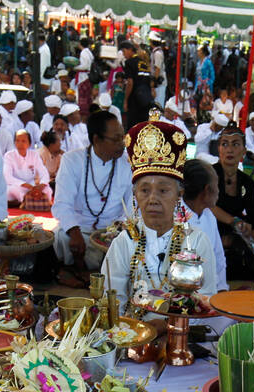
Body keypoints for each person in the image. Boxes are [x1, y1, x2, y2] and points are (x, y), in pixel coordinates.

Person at [101, 119, 218, 312]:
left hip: (183, 334)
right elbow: (112, 303)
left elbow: (206, 300)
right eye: (144, 190)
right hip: (132, 334)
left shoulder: (196, 242)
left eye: (163, 191)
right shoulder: (124, 242)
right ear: (135, 195)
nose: (153, 199)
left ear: (179, 194)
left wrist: (166, 327)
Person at [52, 109, 131, 276]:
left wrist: (122, 231)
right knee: (61, 237)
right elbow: (62, 203)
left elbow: (132, 205)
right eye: (116, 139)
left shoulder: (127, 163)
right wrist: (74, 232)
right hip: (79, 229)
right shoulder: (72, 160)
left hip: (111, 233)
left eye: (122, 137)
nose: (122, 144)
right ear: (96, 139)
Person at [211, 123, 254, 282]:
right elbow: (206, 205)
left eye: (235, 144)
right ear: (219, 149)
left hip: (237, 231)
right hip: (211, 228)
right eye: (224, 144)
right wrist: (234, 221)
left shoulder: (247, 182)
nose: (229, 149)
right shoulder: (210, 174)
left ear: (243, 151)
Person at [181, 159, 227, 291]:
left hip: (212, 295)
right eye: (217, 185)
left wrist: (222, 289)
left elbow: (219, 258)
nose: (219, 191)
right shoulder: (174, 218)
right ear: (207, 190)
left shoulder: (209, 216)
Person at [4, 130, 51, 209]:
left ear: (29, 143)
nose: (20, 144)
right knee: (14, 190)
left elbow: (44, 173)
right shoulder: (9, 155)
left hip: (33, 186)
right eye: (17, 141)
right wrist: (25, 185)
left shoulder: (34, 155)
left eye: (23, 141)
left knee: (48, 190)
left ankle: (28, 201)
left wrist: (41, 185)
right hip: (16, 185)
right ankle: (28, 201)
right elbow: (7, 177)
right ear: (14, 143)